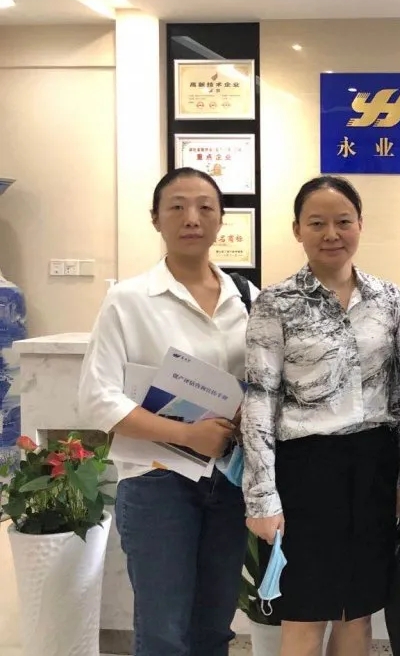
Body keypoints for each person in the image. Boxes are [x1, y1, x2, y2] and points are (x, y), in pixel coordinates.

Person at [78, 167, 252, 656]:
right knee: (163, 633)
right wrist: (188, 434)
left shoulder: (247, 299)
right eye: (177, 207)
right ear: (155, 218)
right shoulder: (129, 300)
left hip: (228, 480)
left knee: (214, 628)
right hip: (157, 482)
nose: (191, 218)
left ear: (221, 220)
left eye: (205, 207)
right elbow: (97, 398)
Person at [241, 176, 400, 656]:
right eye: (317, 223)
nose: (331, 233)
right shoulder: (276, 303)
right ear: (297, 229)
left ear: (360, 225)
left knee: (358, 611)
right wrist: (262, 497)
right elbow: (259, 400)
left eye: (343, 221)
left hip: (374, 466)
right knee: (306, 611)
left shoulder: (388, 298)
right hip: (306, 470)